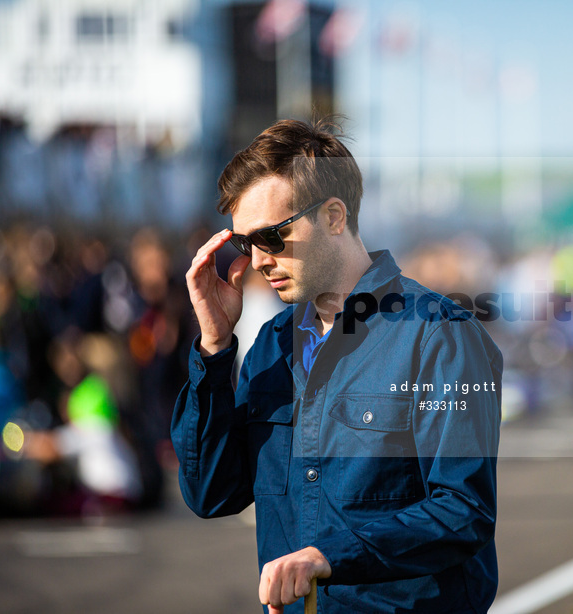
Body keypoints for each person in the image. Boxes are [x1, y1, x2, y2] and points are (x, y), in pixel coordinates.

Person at [171, 117, 502, 613]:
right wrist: (215, 348)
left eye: (272, 236)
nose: (259, 260)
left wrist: (330, 556)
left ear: (333, 216)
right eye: (245, 244)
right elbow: (212, 493)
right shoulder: (271, 343)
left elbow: (464, 509)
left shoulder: (440, 334)